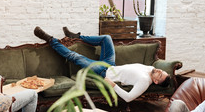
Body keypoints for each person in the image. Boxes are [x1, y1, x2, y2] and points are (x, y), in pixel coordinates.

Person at [33, 26, 171, 103]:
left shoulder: (144, 82)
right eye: (161, 71)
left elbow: (128, 98)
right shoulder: (151, 69)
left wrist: (114, 85)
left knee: (74, 56)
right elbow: (155, 66)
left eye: (160, 74)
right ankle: (76, 37)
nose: (159, 71)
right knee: (107, 38)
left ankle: (50, 40)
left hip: (102, 72)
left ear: (156, 82)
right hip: (111, 64)